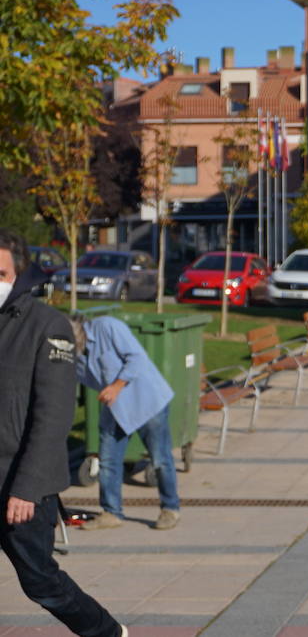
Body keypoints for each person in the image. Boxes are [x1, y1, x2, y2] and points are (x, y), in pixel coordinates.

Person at [0, 230, 126, 637]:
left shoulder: (47, 325)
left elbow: (53, 414)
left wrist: (28, 487)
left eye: (0, 272)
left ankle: (107, 632)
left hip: (19, 485)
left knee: (40, 580)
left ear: (17, 275)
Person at [72, 315, 181, 531]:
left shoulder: (108, 327)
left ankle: (170, 508)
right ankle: (111, 512)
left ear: (77, 332)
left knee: (160, 459)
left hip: (147, 401)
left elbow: (137, 358)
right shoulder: (74, 354)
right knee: (108, 462)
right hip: (116, 409)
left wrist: (116, 386)